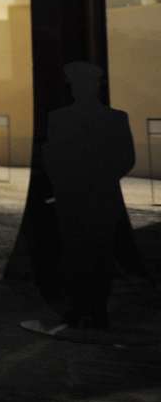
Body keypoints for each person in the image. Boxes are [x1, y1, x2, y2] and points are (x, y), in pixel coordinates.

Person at [44, 60, 137, 330]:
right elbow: (127, 158)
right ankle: (98, 311)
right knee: (101, 253)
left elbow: (51, 157)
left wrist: (65, 183)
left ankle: (78, 308)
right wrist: (103, 179)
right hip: (104, 197)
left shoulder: (58, 119)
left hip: (71, 197)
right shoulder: (116, 118)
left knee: (74, 252)